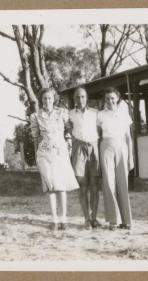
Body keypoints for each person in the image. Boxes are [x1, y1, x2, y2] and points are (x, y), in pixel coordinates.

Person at [30, 88, 79, 231]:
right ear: (41, 100)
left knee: (61, 186)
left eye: (50, 98)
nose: (47, 101)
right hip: (44, 153)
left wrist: (71, 145)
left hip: (60, 152)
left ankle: (63, 219)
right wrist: (36, 155)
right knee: (50, 186)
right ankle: (54, 220)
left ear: (54, 99)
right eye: (44, 98)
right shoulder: (36, 116)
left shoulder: (62, 113)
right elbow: (35, 137)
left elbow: (71, 130)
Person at [97, 87, 134, 230]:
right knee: (108, 183)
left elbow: (128, 138)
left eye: (112, 98)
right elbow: (98, 135)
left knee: (122, 183)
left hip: (121, 147)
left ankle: (126, 220)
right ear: (104, 100)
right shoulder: (100, 115)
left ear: (117, 98)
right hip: (106, 147)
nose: (110, 101)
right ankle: (114, 220)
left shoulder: (124, 114)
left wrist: (131, 157)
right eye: (107, 99)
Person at [69, 87, 101, 230]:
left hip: (93, 148)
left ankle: (94, 218)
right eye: (77, 97)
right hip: (78, 150)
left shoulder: (95, 113)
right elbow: (66, 131)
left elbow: (101, 131)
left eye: (82, 96)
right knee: (82, 186)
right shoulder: (69, 114)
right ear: (74, 99)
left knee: (94, 186)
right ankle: (86, 219)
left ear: (86, 97)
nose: (80, 99)